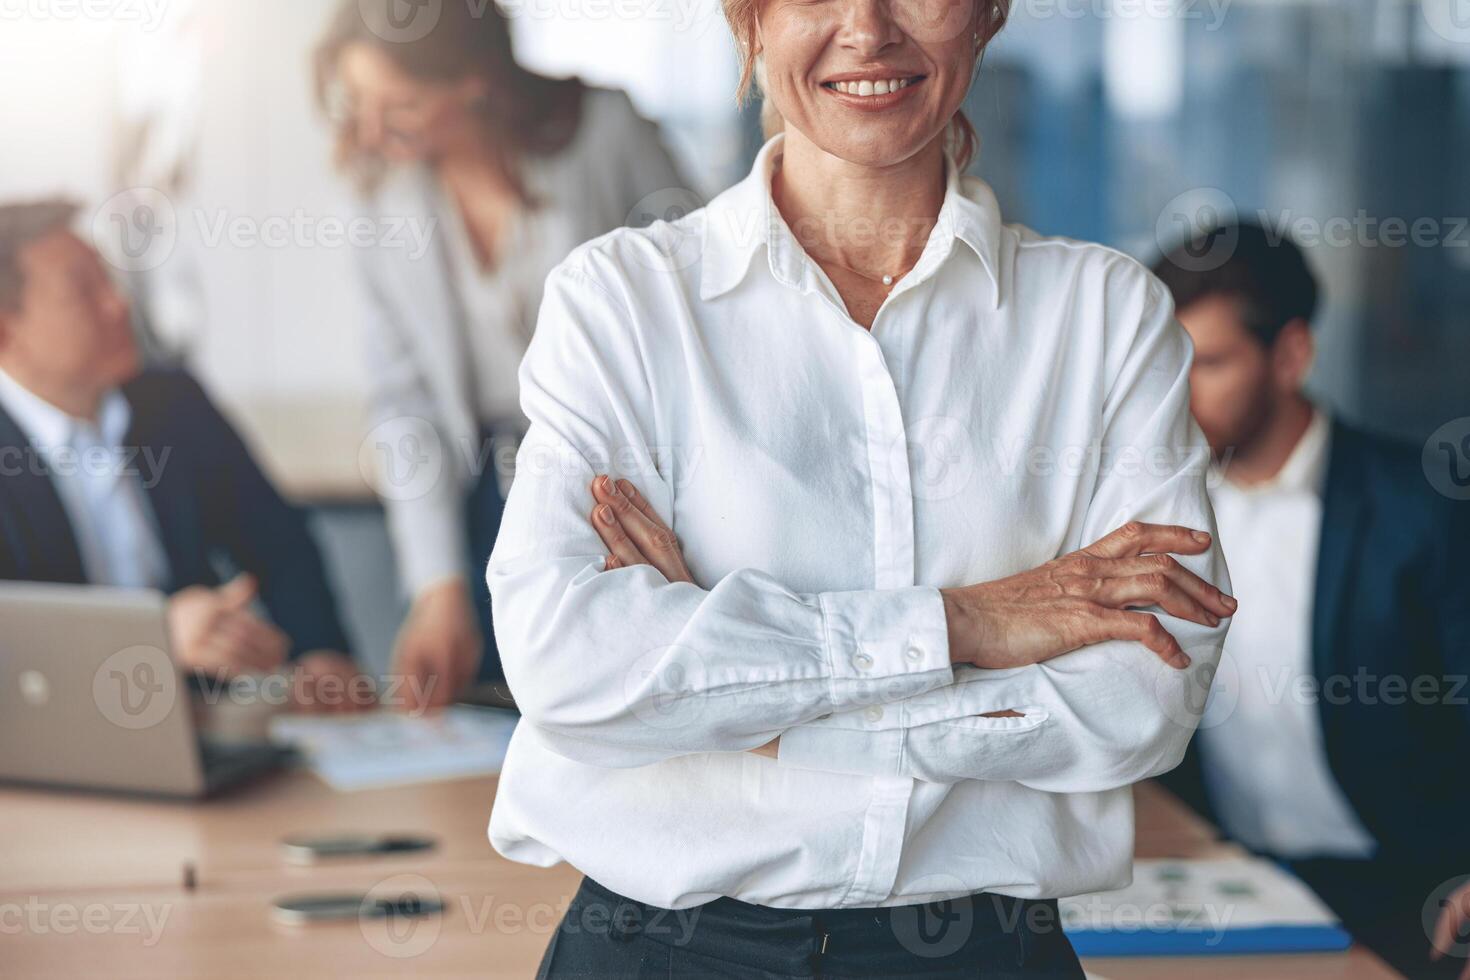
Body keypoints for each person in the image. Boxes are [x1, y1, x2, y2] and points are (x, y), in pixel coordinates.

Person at [485, 1, 1236, 975]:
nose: (868, 28)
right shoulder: (623, 303)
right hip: (662, 951)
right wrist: (971, 625)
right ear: (749, 24)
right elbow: (566, 662)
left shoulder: (1105, 317)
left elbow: (1146, 694)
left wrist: (737, 707)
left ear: (986, 17)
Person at [313, 0, 688, 709]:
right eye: (358, 103)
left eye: (400, 104)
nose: (370, 130)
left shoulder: (606, 133)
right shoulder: (380, 191)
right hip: (486, 492)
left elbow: (706, 304)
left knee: (634, 701)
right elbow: (406, 402)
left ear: (473, 83)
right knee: (497, 713)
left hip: (633, 485)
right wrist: (437, 586)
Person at [1151, 220, 1470, 979]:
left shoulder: (1423, 509)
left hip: (1412, 897)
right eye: (1165, 364)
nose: (1175, 395)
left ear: (1291, 354)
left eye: (1210, 364)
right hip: (1218, 883)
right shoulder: (1153, 509)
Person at [0, 200, 367, 714]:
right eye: (84, 292)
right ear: (6, 332)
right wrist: (150, 640)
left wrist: (320, 652)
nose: (118, 304)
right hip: (50, 744)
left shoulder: (174, 406)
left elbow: (279, 542)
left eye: (110, 280)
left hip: (200, 724)